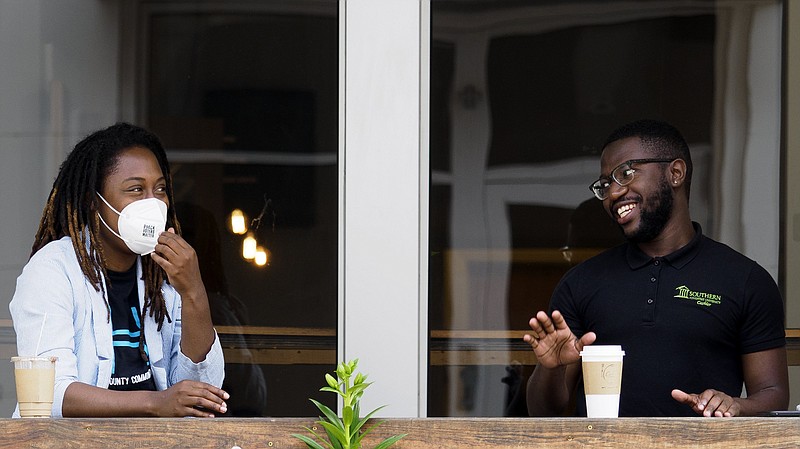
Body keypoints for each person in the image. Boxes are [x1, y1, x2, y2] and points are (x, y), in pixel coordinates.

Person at [524, 119, 789, 417]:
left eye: (625, 174)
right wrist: (550, 369)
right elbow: (543, 413)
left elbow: (773, 394)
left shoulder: (745, 280)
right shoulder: (582, 282)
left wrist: (734, 405)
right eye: (606, 184)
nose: (612, 194)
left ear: (675, 173)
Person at [9, 123, 228, 418]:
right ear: (93, 202)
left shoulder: (165, 272)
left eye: (160, 189)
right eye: (135, 190)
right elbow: (48, 393)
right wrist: (155, 403)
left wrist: (193, 292)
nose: (152, 203)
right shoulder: (52, 270)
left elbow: (203, 394)